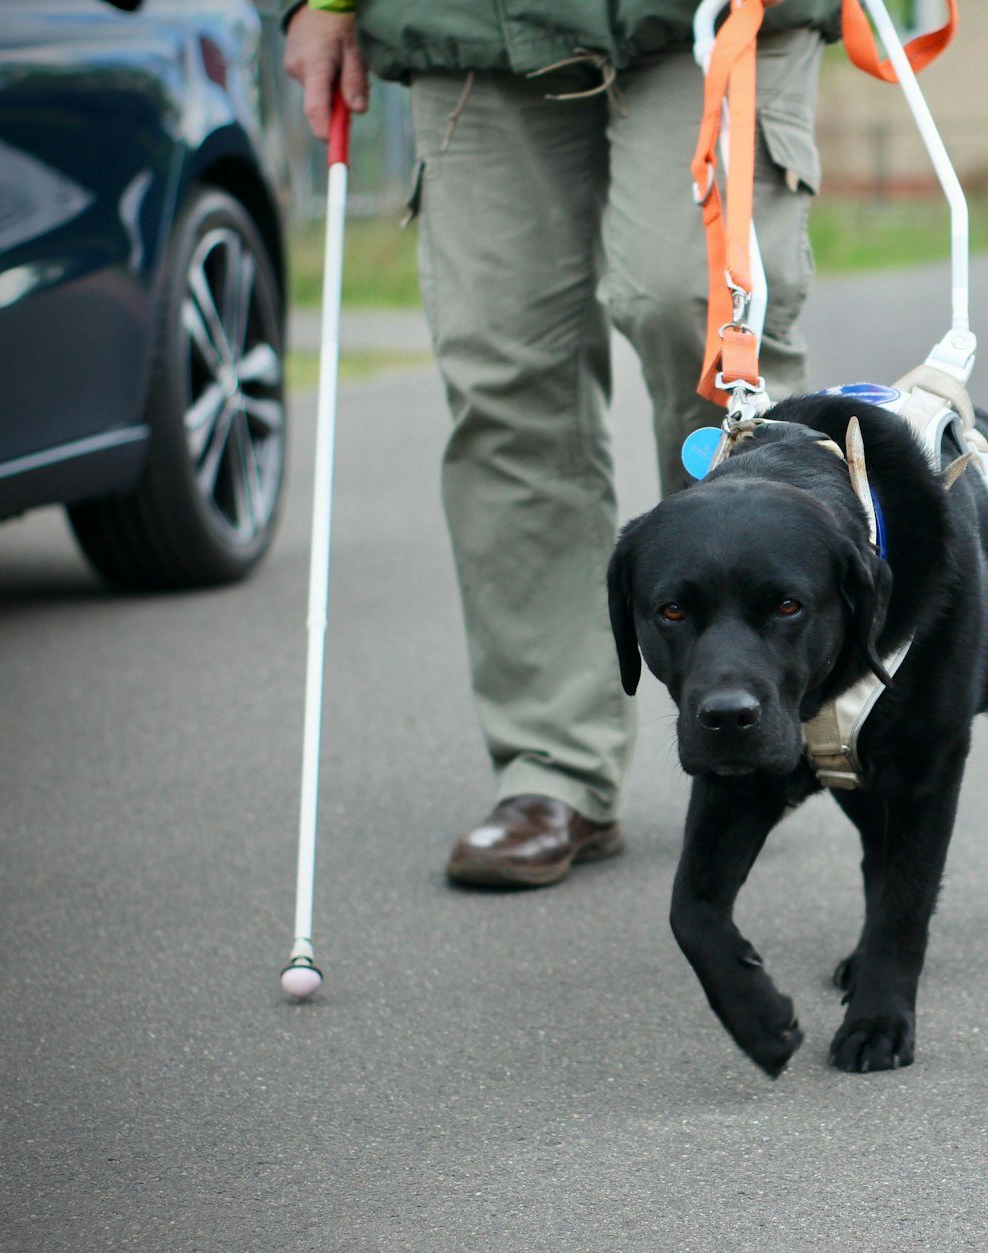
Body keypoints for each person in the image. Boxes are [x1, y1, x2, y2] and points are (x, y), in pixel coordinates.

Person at [282, 0, 843, 887]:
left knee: (700, 317)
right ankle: (552, 767)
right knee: (503, 374)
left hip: (711, 16)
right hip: (470, 25)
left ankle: (771, 715)